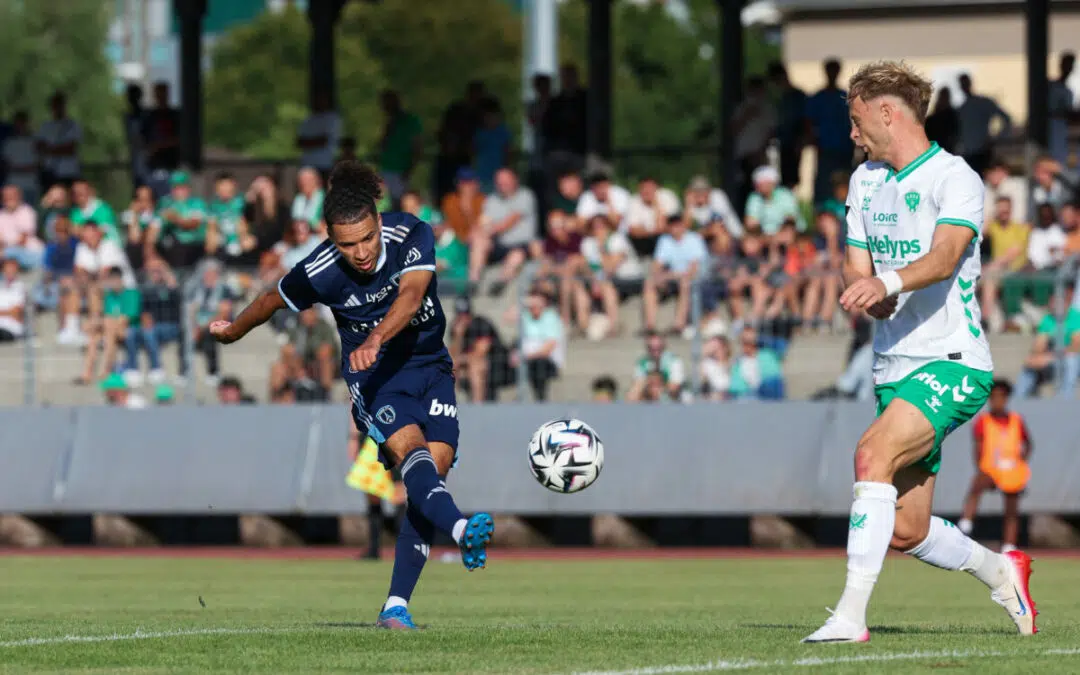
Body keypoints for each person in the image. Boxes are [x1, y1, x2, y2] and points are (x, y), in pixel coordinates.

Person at [803, 61, 1036, 644]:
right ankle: (1001, 571)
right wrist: (868, 289)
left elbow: (945, 256)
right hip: (893, 366)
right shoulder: (864, 181)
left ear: (888, 112)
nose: (851, 133)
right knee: (907, 531)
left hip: (952, 362)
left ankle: (849, 618)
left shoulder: (955, 178)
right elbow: (855, 263)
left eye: (856, 120)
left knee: (870, 454)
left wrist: (887, 283)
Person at [208, 161, 494, 630]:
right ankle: (461, 529)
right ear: (330, 239)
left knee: (430, 484)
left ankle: (395, 606)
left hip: (432, 369)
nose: (360, 252)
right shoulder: (320, 270)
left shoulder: (412, 233)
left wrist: (376, 336)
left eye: (367, 239)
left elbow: (411, 296)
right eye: (347, 245)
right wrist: (233, 331)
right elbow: (269, 299)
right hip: (375, 378)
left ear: (379, 221)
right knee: (414, 456)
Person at [959, 380, 1032, 554]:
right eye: (994, 397)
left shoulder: (1017, 420)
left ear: (1006, 399)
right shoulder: (983, 421)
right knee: (977, 486)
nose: (997, 401)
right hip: (990, 469)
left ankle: (1009, 544)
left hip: (1011, 470)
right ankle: (966, 523)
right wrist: (980, 467)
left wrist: (1021, 461)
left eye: (1001, 397)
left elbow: (1028, 443)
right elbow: (978, 446)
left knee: (1011, 509)